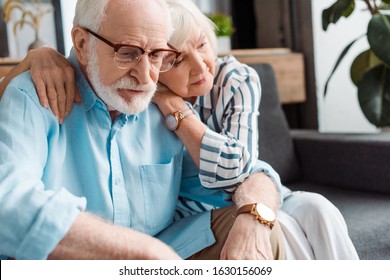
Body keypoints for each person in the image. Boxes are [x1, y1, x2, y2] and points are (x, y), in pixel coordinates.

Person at [0, 0, 358, 260]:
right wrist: (144, 254)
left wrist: (255, 219)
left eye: (157, 55)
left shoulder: (156, 104)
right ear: (81, 41)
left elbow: (251, 176)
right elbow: (7, 203)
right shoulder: (35, 93)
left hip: (166, 254)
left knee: (267, 227)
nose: (145, 76)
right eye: (128, 52)